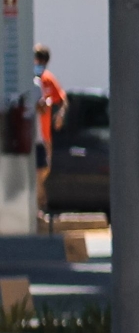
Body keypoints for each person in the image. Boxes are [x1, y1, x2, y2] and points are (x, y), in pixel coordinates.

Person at [31, 43, 63, 224]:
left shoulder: (45, 81)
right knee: (37, 173)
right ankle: (38, 206)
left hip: (43, 136)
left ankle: (39, 204)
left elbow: (62, 100)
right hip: (36, 136)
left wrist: (59, 114)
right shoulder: (33, 83)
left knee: (43, 171)